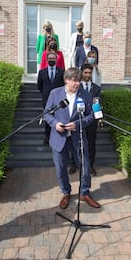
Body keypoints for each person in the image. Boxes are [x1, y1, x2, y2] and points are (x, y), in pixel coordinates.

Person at [43, 67, 101, 209]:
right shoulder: (55, 93)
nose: (76, 84)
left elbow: (91, 116)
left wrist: (77, 124)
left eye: (78, 81)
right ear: (66, 80)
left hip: (78, 137)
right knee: (61, 168)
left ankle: (84, 193)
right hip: (59, 138)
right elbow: (46, 114)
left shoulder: (86, 95)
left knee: (85, 167)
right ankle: (66, 192)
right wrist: (55, 124)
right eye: (74, 81)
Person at [69, 63, 101, 176]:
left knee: (91, 144)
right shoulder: (76, 87)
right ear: (81, 73)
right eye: (85, 72)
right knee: (74, 143)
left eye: (89, 73)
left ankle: (90, 166)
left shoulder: (96, 88)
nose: (87, 75)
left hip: (90, 121)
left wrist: (99, 118)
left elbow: (96, 103)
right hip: (77, 121)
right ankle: (74, 164)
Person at [37, 52, 65, 145]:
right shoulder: (42, 72)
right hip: (46, 99)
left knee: (58, 118)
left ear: (56, 60)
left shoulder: (61, 72)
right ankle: (47, 137)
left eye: (53, 58)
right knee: (48, 119)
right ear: (46, 60)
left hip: (58, 100)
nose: (51, 60)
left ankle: (57, 138)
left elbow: (64, 85)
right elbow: (39, 86)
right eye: (50, 58)